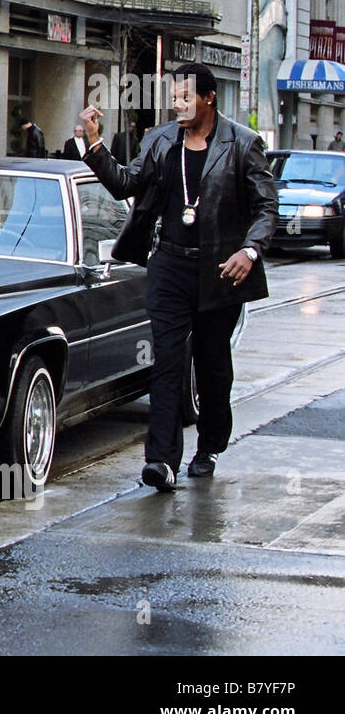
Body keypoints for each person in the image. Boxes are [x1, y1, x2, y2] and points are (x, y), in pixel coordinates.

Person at [80, 62, 277, 492]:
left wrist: (249, 249)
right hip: (169, 264)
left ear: (208, 98)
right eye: (173, 97)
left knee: (211, 365)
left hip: (220, 271)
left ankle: (208, 447)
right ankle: (161, 462)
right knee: (166, 361)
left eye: (185, 97)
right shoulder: (161, 140)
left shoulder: (243, 144)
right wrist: (94, 146)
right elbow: (124, 184)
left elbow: (266, 209)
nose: (177, 104)